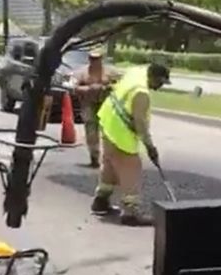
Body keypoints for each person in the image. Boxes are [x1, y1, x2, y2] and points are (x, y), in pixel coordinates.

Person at [91, 62, 171, 224]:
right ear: (153, 77)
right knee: (131, 169)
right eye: (160, 82)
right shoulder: (141, 93)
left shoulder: (136, 72)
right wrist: (150, 147)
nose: (160, 87)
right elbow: (140, 123)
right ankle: (130, 212)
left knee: (110, 165)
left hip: (108, 123)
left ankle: (100, 201)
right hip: (120, 134)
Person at [72, 49, 119, 167]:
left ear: (101, 59)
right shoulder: (82, 72)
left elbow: (119, 85)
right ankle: (94, 157)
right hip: (88, 103)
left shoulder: (110, 72)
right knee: (91, 130)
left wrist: (106, 87)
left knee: (108, 131)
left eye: (97, 59)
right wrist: (88, 88)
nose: (94, 61)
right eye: (92, 59)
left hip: (106, 103)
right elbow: (73, 86)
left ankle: (110, 158)